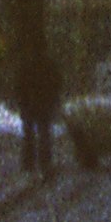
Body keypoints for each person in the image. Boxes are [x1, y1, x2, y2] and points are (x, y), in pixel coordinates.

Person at [22, 37, 64, 179]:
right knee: (43, 133)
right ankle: (44, 161)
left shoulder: (27, 65)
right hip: (43, 103)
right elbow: (57, 82)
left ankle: (29, 162)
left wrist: (22, 100)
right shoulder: (49, 65)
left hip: (30, 103)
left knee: (30, 133)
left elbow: (18, 84)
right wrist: (53, 99)